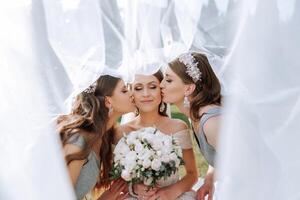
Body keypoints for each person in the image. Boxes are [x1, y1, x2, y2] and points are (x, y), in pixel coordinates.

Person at [114, 70, 198, 200]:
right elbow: (115, 179)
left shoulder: (178, 127)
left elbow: (192, 175)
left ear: (161, 90)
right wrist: (134, 187)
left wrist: (170, 192)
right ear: (131, 94)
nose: (146, 94)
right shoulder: (121, 132)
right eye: (138, 88)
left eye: (153, 87)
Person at [57, 75, 135, 200]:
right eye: (124, 90)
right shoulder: (78, 140)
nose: (132, 93)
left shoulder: (103, 138)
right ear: (108, 101)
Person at [160, 52, 222, 200]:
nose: (161, 85)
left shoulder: (212, 123)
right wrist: (208, 180)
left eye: (168, 80)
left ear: (188, 89)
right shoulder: (195, 117)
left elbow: (249, 167)